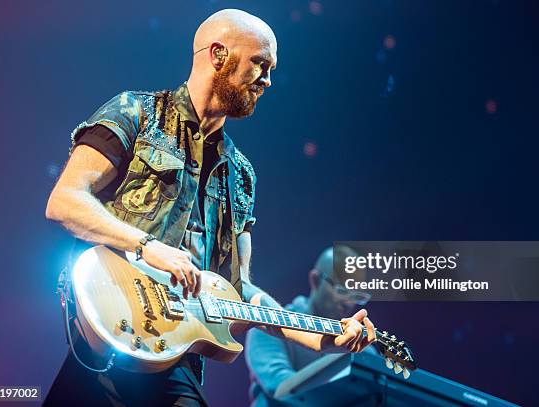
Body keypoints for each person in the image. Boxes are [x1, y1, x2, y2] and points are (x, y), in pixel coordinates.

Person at [44, 9, 378, 407]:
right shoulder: (135, 113)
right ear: (219, 55)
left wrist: (322, 337)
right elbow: (65, 200)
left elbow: (238, 292)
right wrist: (148, 246)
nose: (268, 80)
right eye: (260, 64)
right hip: (109, 328)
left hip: (176, 358)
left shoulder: (241, 175)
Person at [245, 246, 376, 406]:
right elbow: (280, 387)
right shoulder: (270, 325)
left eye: (357, 295)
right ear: (315, 280)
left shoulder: (361, 348)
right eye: (341, 290)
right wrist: (338, 356)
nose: (349, 302)